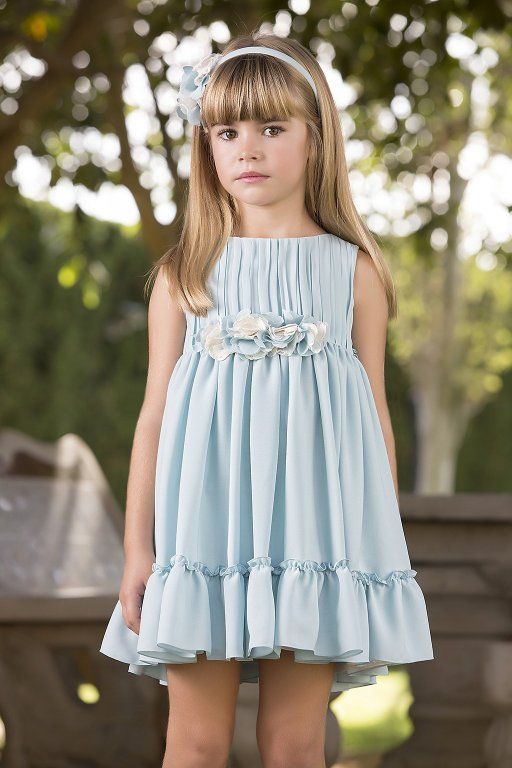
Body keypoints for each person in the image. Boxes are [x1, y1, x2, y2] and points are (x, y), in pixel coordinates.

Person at [100, 32, 434, 768]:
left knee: (294, 742)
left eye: (272, 128)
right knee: (194, 741)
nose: (247, 148)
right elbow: (153, 416)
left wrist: (372, 545)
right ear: (207, 146)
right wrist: (137, 549)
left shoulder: (354, 274)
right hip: (202, 538)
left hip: (317, 541)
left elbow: (372, 416)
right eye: (227, 132)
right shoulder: (184, 277)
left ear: (315, 138)